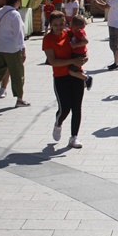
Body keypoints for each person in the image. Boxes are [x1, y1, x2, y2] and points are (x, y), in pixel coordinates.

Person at [43, 11, 87, 148]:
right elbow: (53, 61)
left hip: (75, 75)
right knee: (65, 108)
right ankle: (58, 123)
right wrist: (72, 60)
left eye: (61, 24)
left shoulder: (69, 34)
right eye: (55, 25)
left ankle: (74, 137)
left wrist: (84, 59)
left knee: (77, 108)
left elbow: (82, 46)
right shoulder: (48, 39)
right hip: (61, 76)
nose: (59, 27)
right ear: (50, 25)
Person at [90, 0, 118, 70]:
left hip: (115, 23)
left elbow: (104, 7)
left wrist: (95, 1)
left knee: (114, 44)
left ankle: (116, 63)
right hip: (115, 23)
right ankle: (117, 61)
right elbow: (108, 5)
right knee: (115, 43)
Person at [68, 15, 93, 90]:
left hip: (79, 54)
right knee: (75, 69)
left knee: (71, 71)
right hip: (79, 53)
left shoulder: (79, 31)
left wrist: (75, 45)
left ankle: (86, 78)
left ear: (76, 26)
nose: (71, 28)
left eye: (72, 26)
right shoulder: (77, 31)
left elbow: (86, 41)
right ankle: (82, 81)